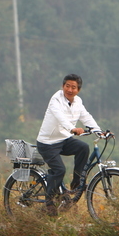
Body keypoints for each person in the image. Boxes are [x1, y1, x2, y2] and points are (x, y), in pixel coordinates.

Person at [36, 74, 101, 215]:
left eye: (73, 87)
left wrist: (99, 131)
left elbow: (86, 116)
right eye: (67, 86)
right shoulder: (55, 100)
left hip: (63, 139)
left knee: (83, 148)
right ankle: (49, 204)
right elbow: (61, 118)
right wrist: (72, 129)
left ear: (78, 90)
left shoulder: (78, 102)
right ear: (62, 86)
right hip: (47, 142)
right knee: (59, 170)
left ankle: (76, 183)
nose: (70, 90)